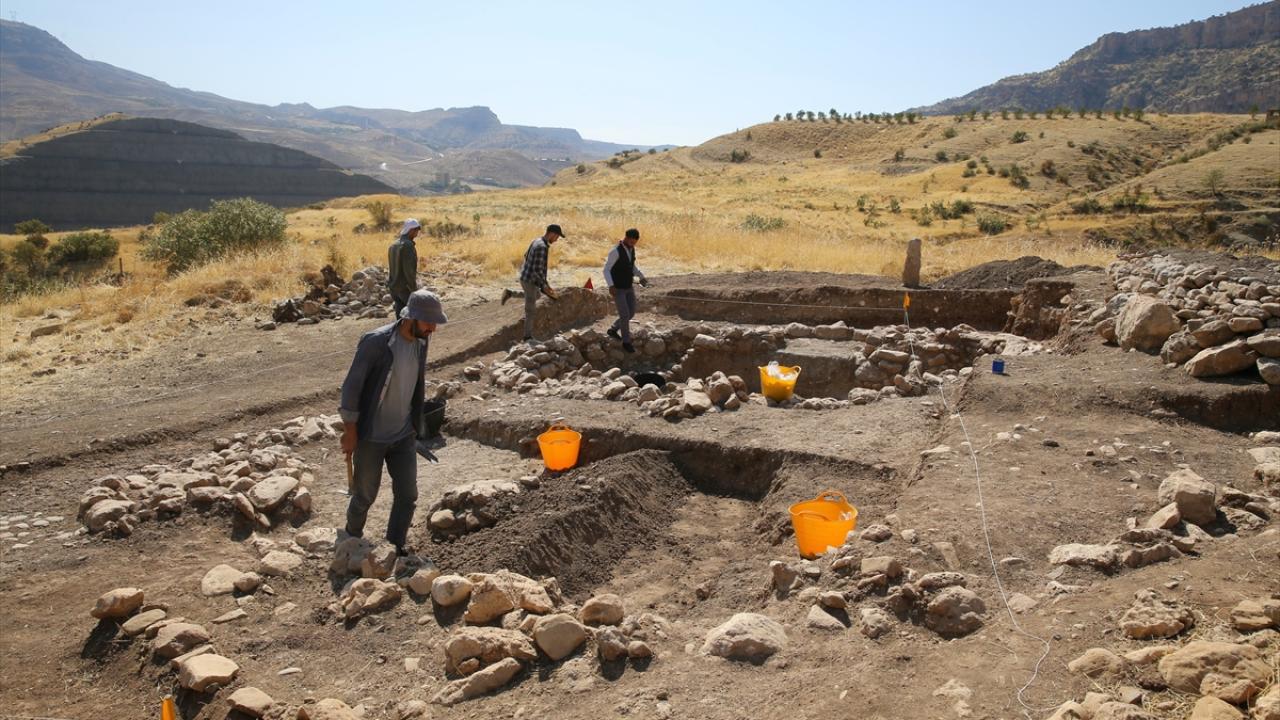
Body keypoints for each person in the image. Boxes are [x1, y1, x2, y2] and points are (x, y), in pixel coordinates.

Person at [338, 289, 447, 556]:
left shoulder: (421, 341)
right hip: (371, 437)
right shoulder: (376, 342)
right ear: (411, 319)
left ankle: (395, 545)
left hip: (403, 435)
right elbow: (351, 387)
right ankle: (351, 539)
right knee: (364, 496)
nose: (433, 328)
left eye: (434, 323)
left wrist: (415, 425)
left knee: (408, 495)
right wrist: (350, 429)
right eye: (428, 322)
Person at [501, 224, 563, 341]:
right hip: (530, 280)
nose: (557, 240)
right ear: (552, 234)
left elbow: (526, 255)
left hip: (525, 275)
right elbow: (537, 271)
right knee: (530, 310)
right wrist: (545, 287)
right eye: (557, 237)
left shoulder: (536, 240)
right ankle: (527, 337)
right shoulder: (542, 247)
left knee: (536, 295)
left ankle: (510, 293)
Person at [604, 228, 648, 353]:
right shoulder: (615, 251)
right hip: (617, 288)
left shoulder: (631, 248)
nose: (634, 245)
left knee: (632, 312)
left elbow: (631, 265)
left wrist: (641, 276)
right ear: (627, 238)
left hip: (628, 286)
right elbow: (606, 269)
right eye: (632, 242)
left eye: (635, 243)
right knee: (624, 315)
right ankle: (626, 342)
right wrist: (611, 285)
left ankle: (613, 329)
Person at [387, 219, 422, 318]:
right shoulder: (408, 245)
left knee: (400, 319)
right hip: (405, 289)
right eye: (416, 230)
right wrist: (414, 289)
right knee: (415, 316)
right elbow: (409, 271)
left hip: (394, 287)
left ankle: (400, 333)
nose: (417, 232)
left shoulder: (393, 245)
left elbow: (391, 268)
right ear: (410, 230)